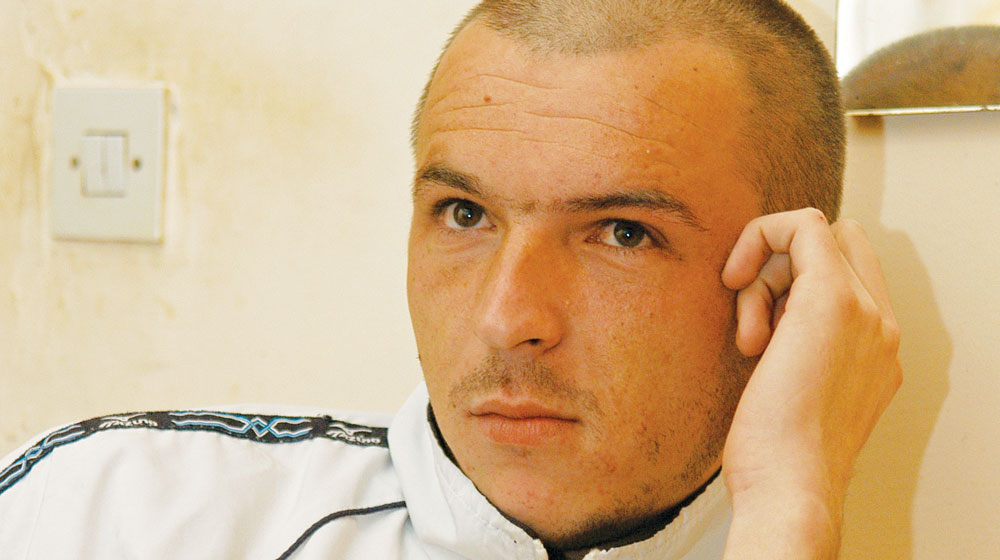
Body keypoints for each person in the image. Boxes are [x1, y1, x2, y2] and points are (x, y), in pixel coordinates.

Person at [0, 1, 901, 559]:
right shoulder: (112, 514)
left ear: (783, 290)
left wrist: (789, 511)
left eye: (621, 234)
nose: (506, 318)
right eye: (465, 215)